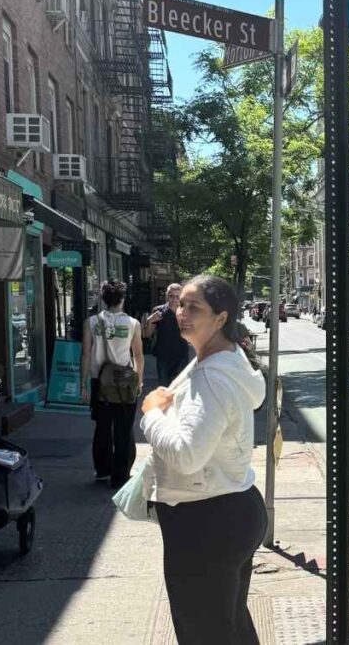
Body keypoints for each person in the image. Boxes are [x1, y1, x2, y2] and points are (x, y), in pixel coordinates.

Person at [140, 275, 268, 644]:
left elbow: (186, 455)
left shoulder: (212, 377)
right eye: (181, 304)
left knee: (206, 633)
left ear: (221, 318)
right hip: (226, 511)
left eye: (194, 307)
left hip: (205, 522)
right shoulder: (225, 360)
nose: (182, 312)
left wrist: (151, 414)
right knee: (227, 627)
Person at [80, 280, 144, 487]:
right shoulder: (133, 324)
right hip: (125, 383)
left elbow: (86, 354)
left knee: (102, 427)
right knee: (124, 429)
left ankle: (102, 469)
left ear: (103, 299)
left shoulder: (91, 322)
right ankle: (120, 475)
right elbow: (138, 356)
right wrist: (139, 381)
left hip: (100, 381)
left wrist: (84, 384)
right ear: (123, 299)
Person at [143, 283, 190, 387]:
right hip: (163, 356)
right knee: (164, 388)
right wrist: (149, 321)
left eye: (177, 296)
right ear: (166, 295)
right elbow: (146, 334)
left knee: (181, 387)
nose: (174, 299)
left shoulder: (187, 312)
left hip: (181, 354)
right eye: (171, 296)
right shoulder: (158, 311)